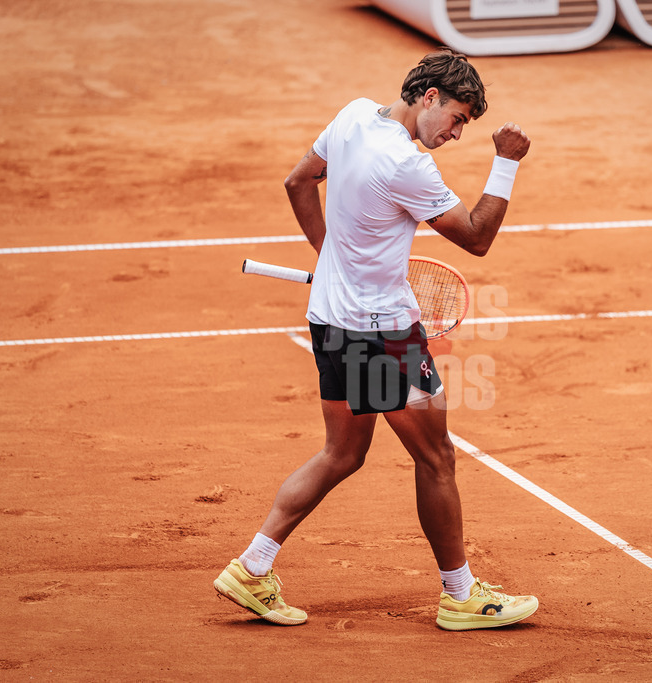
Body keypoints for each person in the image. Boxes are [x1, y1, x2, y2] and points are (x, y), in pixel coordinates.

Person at [214, 48, 536, 631]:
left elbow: (298, 181)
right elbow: (477, 237)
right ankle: (460, 595)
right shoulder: (408, 165)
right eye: (458, 118)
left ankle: (252, 566)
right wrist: (506, 163)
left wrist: (329, 255)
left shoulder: (353, 115)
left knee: (342, 453)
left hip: (330, 317)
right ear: (430, 97)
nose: (457, 133)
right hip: (381, 332)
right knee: (436, 457)